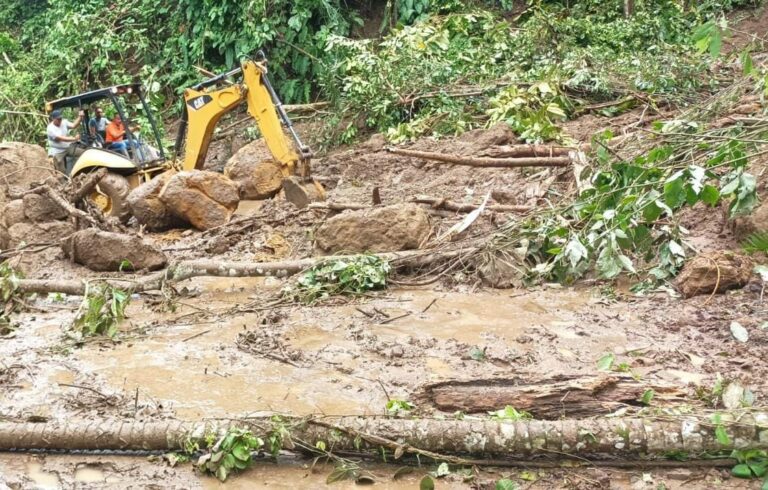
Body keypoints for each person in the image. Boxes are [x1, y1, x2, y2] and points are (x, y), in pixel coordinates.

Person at [47, 109, 85, 174]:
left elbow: (73, 125)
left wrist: (80, 117)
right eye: (58, 119)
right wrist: (74, 139)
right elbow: (61, 138)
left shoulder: (64, 122)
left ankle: (79, 172)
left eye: (61, 118)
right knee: (61, 171)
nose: (60, 120)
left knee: (84, 153)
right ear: (53, 119)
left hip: (67, 147)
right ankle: (64, 181)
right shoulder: (50, 128)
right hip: (57, 151)